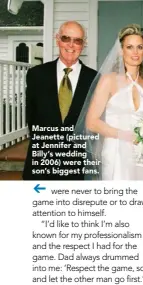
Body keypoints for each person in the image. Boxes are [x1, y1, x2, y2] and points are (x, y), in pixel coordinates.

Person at [74, 24, 143, 180]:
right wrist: (124, 135)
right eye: (129, 47)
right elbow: (91, 123)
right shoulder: (109, 80)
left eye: (139, 47)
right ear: (120, 50)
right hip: (116, 151)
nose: (135, 52)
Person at [23, 21, 97, 180]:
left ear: (83, 45)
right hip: (41, 163)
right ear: (57, 39)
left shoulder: (95, 79)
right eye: (66, 38)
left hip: (77, 167)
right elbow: (32, 118)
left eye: (77, 40)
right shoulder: (36, 75)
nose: (71, 45)